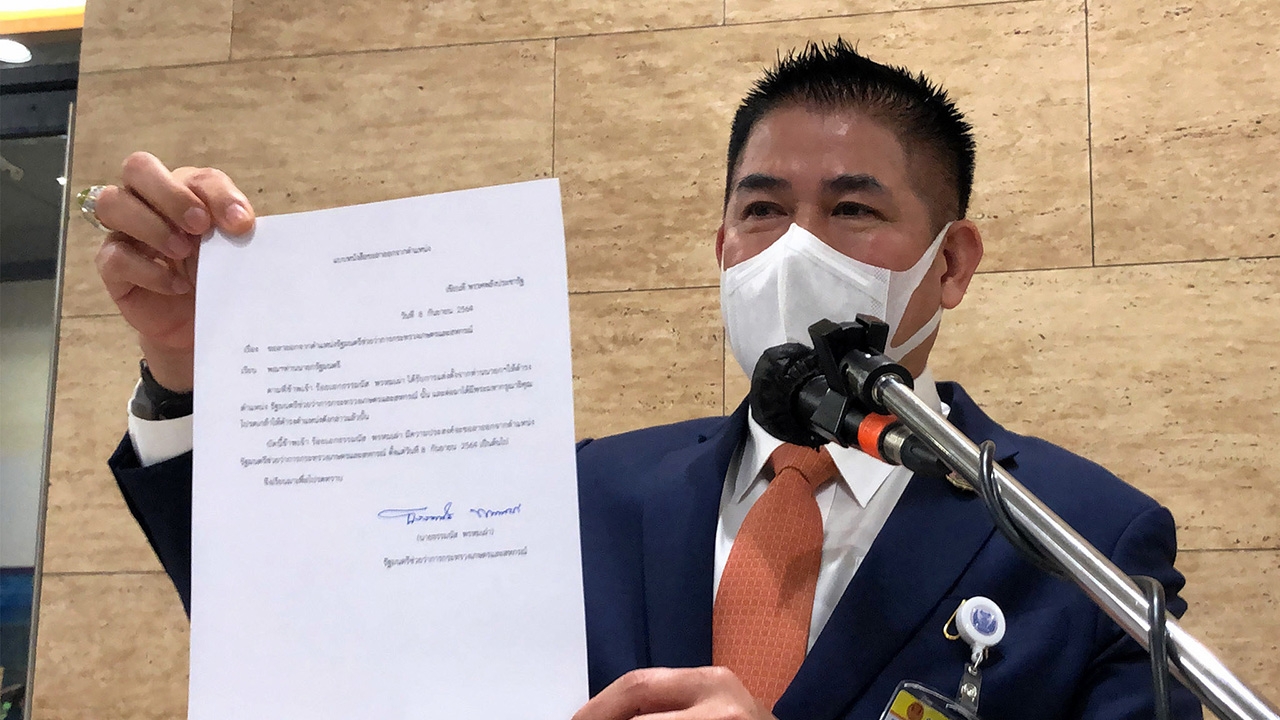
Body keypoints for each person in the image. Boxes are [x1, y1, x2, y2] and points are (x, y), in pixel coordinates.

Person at [91, 40, 1201, 719]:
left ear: (949, 263)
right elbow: (303, 635)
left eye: (852, 208)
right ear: (720, 245)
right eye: (761, 209)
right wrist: (189, 367)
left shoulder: (1084, 543)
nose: (790, 249)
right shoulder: (583, 493)